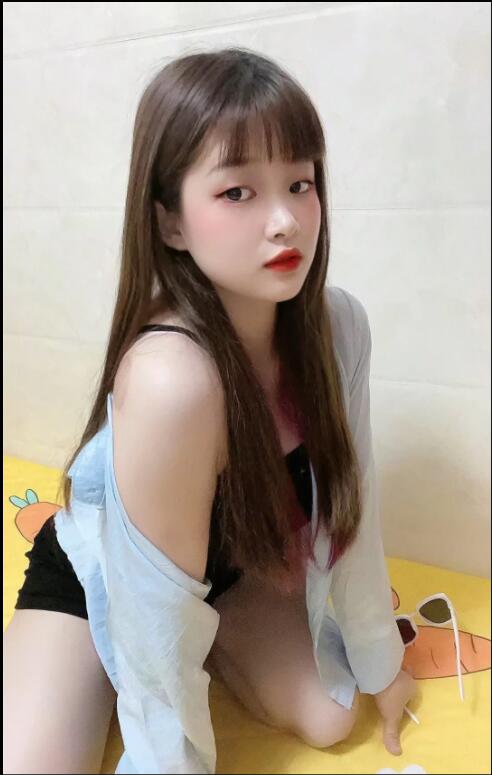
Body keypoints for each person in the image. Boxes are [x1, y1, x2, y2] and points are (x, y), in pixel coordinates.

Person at [4, 46, 416, 774]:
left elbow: (351, 508)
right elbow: (150, 629)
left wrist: (382, 662)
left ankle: (218, 634)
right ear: (170, 222)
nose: (285, 221)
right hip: (105, 582)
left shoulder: (338, 327)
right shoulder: (173, 379)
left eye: (300, 183)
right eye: (237, 192)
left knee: (332, 713)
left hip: (230, 574)